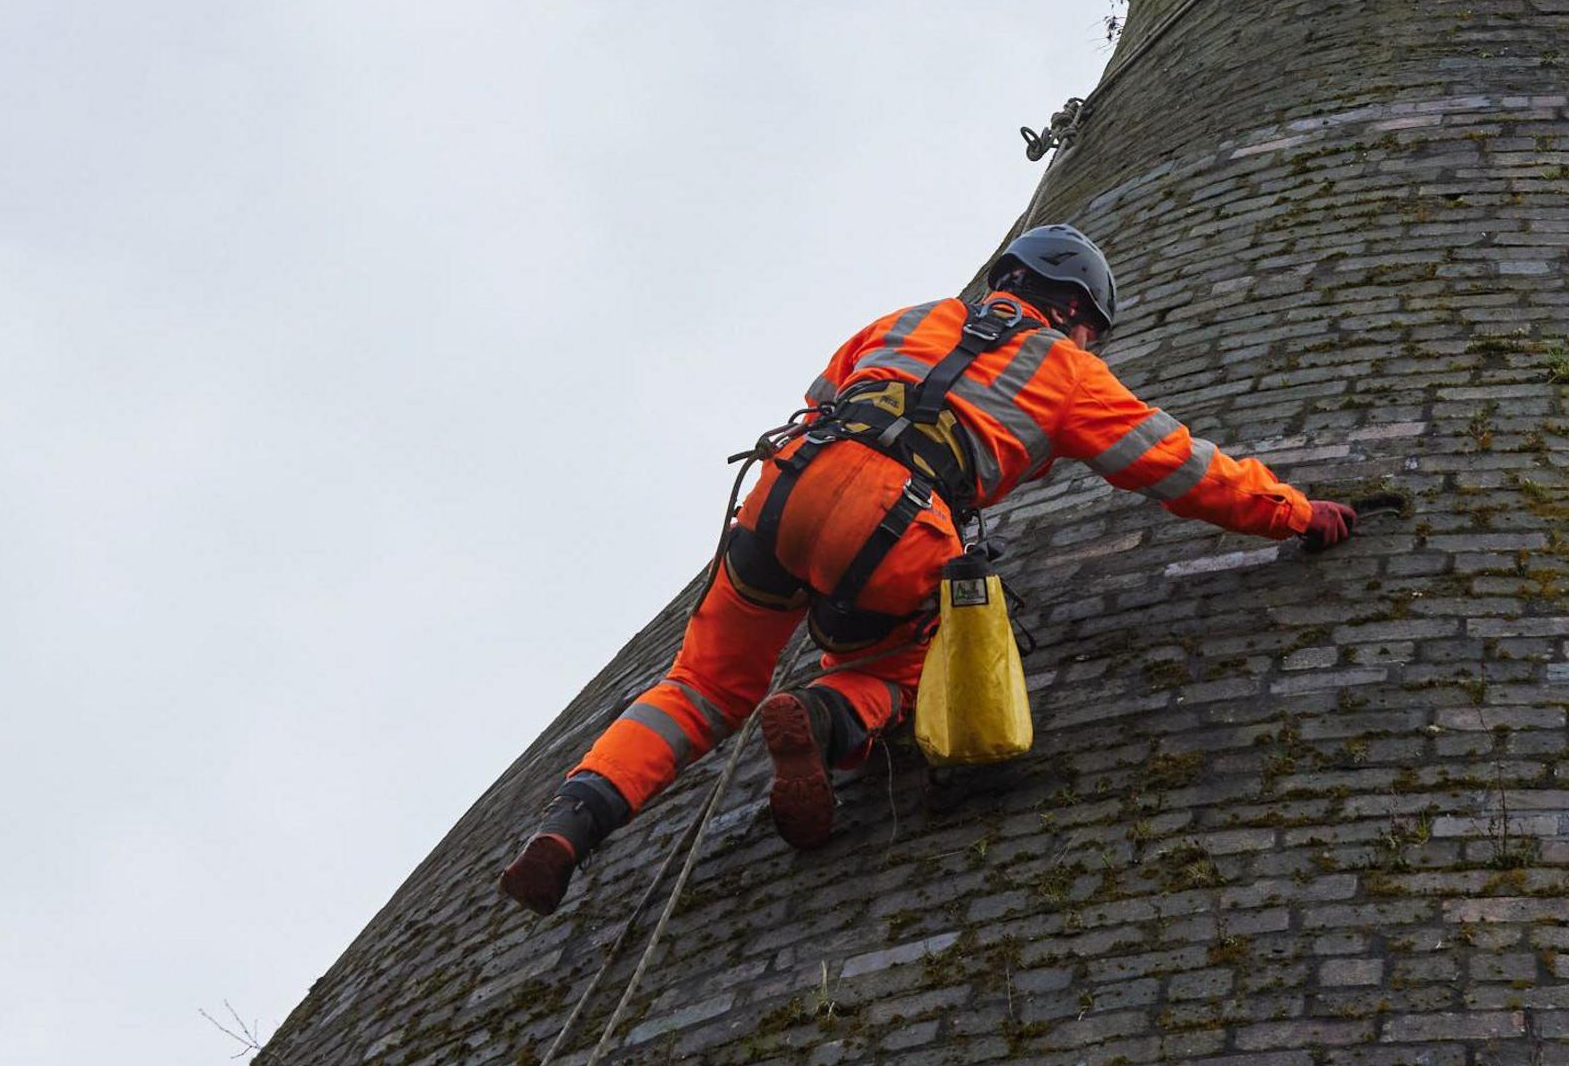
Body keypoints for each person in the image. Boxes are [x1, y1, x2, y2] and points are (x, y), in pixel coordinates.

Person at [497, 224, 1353, 914]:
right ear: (1077, 313)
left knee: (701, 687)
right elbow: (1177, 465)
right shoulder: (1067, 370)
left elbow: (823, 397)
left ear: (1007, 281)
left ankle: (572, 824)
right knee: (915, 661)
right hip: (900, 518)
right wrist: (1293, 511)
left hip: (782, 487)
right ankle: (829, 720)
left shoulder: (907, 320)